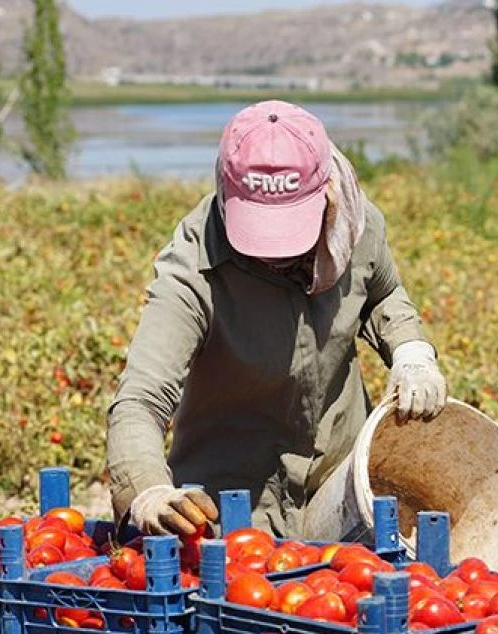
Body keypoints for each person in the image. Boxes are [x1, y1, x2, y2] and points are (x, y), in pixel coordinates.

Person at [105, 100, 447, 540]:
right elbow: (139, 401)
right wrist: (148, 490)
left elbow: (382, 294)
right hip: (231, 511)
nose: (276, 254)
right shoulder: (193, 266)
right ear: (227, 195)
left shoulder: (355, 225)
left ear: (325, 193)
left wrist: (410, 351)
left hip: (341, 491)